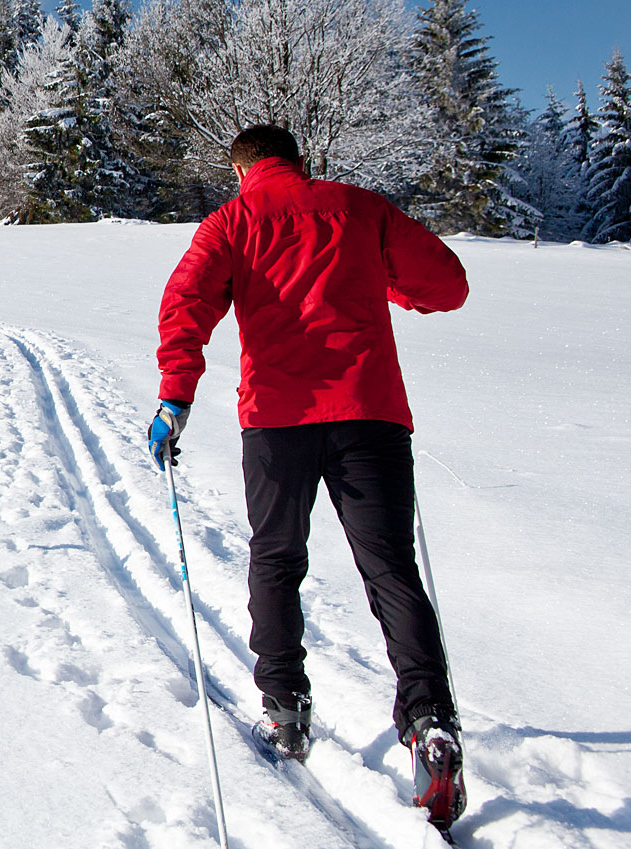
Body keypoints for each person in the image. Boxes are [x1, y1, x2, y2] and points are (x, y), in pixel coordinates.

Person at [144, 124, 469, 830]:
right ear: (302, 161)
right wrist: (382, 280)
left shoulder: (233, 220)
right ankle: (431, 723)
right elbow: (447, 283)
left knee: (277, 556)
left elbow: (188, 302)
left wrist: (176, 395)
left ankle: (286, 708)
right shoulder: (358, 207)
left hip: (278, 422)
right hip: (371, 414)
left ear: (241, 171)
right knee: (389, 569)